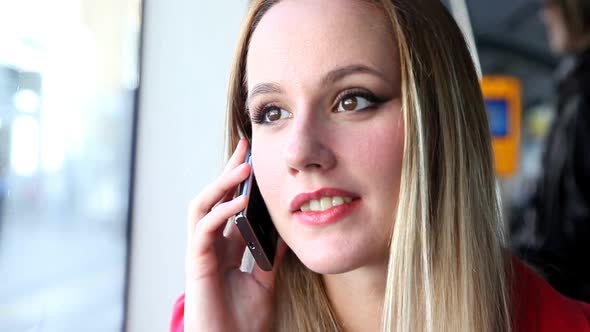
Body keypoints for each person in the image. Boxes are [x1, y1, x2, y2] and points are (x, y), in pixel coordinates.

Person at [172, 0, 590, 331]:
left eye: (351, 100)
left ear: (439, 121)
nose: (300, 152)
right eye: (271, 113)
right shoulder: (209, 318)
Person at [510, 0, 590, 303]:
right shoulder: (572, 88)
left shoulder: (581, 96)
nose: (544, 14)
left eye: (550, 4)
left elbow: (574, 216)